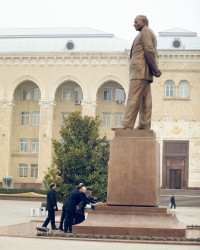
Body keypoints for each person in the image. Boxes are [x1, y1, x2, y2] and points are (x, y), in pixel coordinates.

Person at [113, 15, 162, 130]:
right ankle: (144, 124)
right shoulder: (147, 32)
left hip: (140, 71)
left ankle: (126, 124)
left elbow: (149, 50)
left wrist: (155, 69)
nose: (134, 24)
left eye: (136, 22)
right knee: (145, 100)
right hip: (144, 72)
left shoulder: (145, 32)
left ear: (144, 22)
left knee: (133, 97)